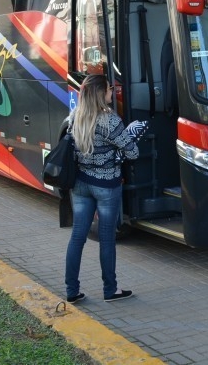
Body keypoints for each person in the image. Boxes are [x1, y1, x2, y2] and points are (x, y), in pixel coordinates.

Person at [64, 74, 146, 303]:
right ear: (102, 93)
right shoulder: (110, 121)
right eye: (110, 89)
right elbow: (133, 153)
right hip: (106, 186)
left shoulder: (74, 117)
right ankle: (110, 290)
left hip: (80, 185)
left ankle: (72, 291)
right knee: (107, 238)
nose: (113, 92)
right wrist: (123, 144)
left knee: (77, 237)